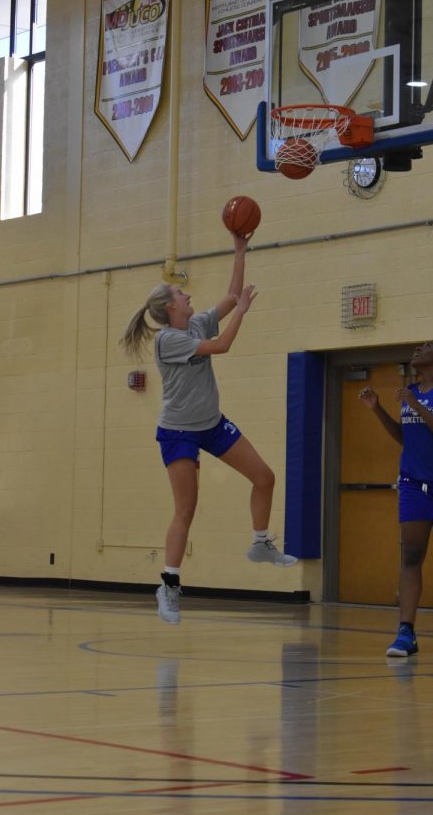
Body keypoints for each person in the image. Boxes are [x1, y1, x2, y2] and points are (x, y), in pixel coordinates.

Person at [119, 231, 297, 625]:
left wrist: (239, 251)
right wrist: (244, 313)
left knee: (265, 477)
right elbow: (224, 347)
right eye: (180, 294)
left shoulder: (197, 323)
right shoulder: (169, 340)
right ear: (170, 307)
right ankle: (168, 586)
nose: (188, 295)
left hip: (211, 424)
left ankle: (260, 543)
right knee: (186, 509)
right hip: (179, 431)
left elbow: (232, 296)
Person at [358, 341, 433, 657]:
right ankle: (406, 631)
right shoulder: (411, 389)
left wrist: (416, 405)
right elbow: (405, 437)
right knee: (411, 555)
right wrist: (377, 408)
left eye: (425, 348)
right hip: (413, 483)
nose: (417, 350)